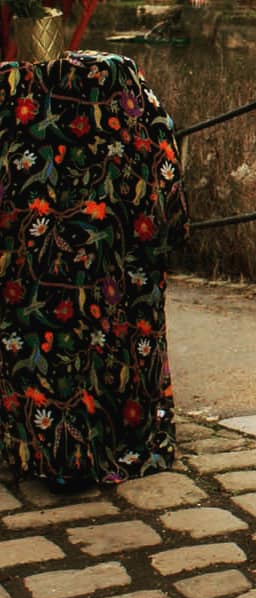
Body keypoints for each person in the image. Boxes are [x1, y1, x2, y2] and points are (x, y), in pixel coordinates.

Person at [0, 51, 188, 489]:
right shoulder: (121, 90)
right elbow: (163, 175)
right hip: (111, 264)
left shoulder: (13, 97)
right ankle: (113, 437)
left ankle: (39, 445)